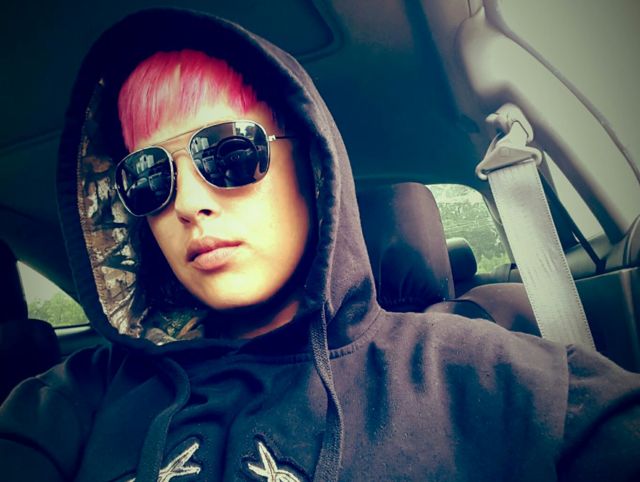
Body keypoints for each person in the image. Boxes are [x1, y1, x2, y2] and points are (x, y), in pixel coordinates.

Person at [1, 7, 639, 481]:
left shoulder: (485, 379)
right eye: (150, 176)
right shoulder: (69, 403)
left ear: (311, 169)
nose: (189, 204)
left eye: (229, 151)